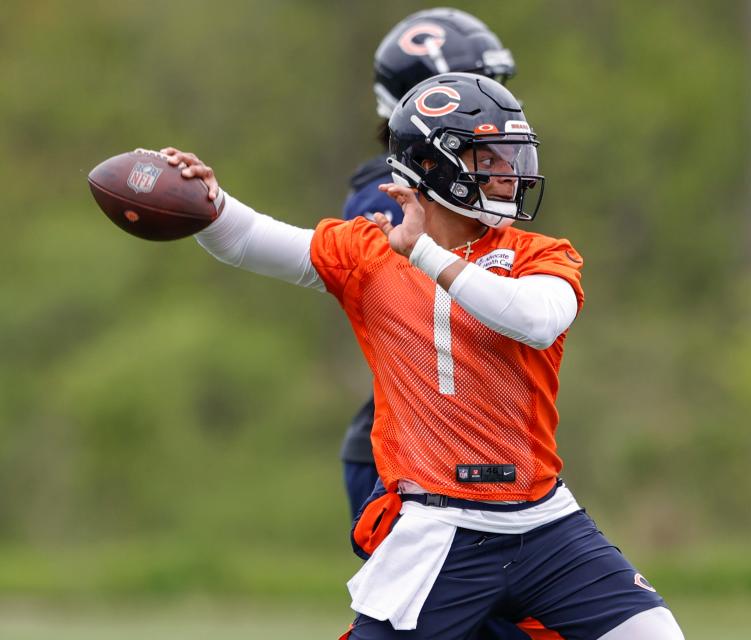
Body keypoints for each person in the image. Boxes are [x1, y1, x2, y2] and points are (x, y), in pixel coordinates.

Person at [161, 72, 684, 639]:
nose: (511, 174)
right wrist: (207, 200)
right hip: (441, 527)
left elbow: (535, 320)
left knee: (653, 635)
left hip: (544, 522)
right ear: (434, 167)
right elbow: (246, 239)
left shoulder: (538, 253)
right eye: (490, 157)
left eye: (514, 156)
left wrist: (427, 255)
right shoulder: (369, 255)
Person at [341, 7, 516, 520]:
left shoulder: (473, 187)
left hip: (468, 435)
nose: (500, 108)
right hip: (412, 445)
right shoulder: (390, 193)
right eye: (483, 87)